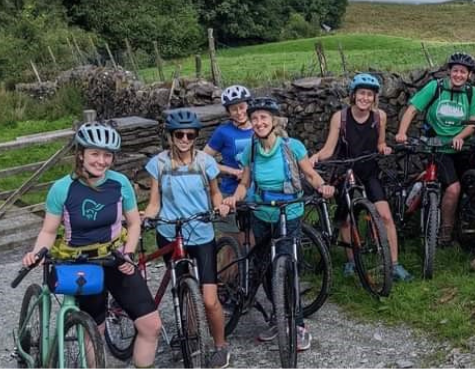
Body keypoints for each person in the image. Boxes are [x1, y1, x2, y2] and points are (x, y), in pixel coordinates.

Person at [22, 123, 162, 369]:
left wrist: (128, 253)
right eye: (95, 154)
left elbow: (133, 223)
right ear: (81, 154)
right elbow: (49, 230)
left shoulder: (120, 183)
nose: (102, 161)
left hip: (115, 258)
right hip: (80, 263)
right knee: (92, 332)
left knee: (151, 326)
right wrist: (37, 252)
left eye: (107, 155)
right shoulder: (62, 189)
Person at [223, 96, 334, 351]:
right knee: (263, 267)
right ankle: (278, 317)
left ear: (273, 121)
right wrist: (234, 198)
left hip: (289, 212)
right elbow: (245, 183)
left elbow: (310, 173)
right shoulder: (251, 149)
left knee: (287, 268)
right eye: (255, 119)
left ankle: (298, 325)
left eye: (263, 118)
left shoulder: (291, 146)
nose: (259, 122)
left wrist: (323, 186)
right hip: (261, 212)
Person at [142, 109, 231, 368]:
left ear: (195, 136)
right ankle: (190, 332)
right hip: (170, 233)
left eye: (189, 135)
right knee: (183, 288)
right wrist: (146, 218)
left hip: (201, 232)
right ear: (171, 136)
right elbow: (154, 202)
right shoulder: (158, 164)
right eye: (179, 134)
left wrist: (219, 206)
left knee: (209, 298)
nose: (184, 139)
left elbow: (215, 193)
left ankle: (220, 345)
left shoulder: (205, 162)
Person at [309, 73, 413, 282]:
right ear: (353, 95)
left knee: (385, 216)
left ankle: (394, 264)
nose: (365, 98)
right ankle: (351, 261)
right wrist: (314, 157)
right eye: (361, 93)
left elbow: (380, 143)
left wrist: (384, 148)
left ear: (374, 98)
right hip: (345, 169)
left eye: (370, 95)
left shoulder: (379, 117)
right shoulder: (341, 117)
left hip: (369, 169)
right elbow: (329, 149)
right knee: (347, 219)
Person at [395, 52, 475, 246]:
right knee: (453, 188)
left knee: (474, 185)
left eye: (463, 72)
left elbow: (474, 123)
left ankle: (421, 179)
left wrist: (459, 137)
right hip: (437, 147)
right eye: (456, 71)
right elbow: (412, 109)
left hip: (461, 147)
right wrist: (402, 132)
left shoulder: (472, 92)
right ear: (449, 71)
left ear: (469, 75)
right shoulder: (435, 87)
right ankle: (445, 235)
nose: (459, 75)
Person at [205, 84, 254, 241]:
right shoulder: (223, 132)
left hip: (257, 192)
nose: (239, 112)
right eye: (234, 109)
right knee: (233, 240)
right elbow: (203, 159)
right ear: (228, 112)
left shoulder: (260, 127)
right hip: (230, 191)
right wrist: (230, 171)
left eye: (242, 107)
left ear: (248, 106)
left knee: (256, 238)